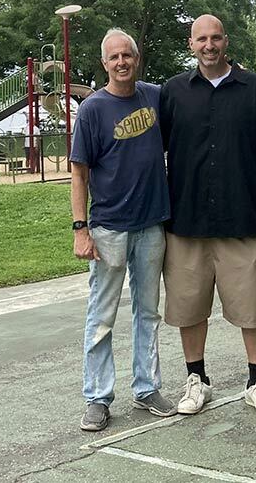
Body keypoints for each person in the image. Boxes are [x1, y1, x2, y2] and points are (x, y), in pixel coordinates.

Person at [160, 14, 256, 418]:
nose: (209, 45)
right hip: (186, 219)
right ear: (191, 43)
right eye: (202, 39)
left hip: (243, 216)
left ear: (226, 42)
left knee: (254, 304)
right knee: (189, 305)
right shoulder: (173, 92)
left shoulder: (253, 88)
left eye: (216, 38)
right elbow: (152, 152)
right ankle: (197, 379)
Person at [71, 29, 175, 432]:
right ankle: (97, 397)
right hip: (109, 228)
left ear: (137, 58)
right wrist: (81, 229)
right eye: (114, 57)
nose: (121, 62)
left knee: (148, 313)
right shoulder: (93, 110)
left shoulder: (155, 97)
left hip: (151, 225)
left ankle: (147, 388)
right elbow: (78, 174)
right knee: (102, 317)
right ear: (104, 63)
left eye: (127, 55)